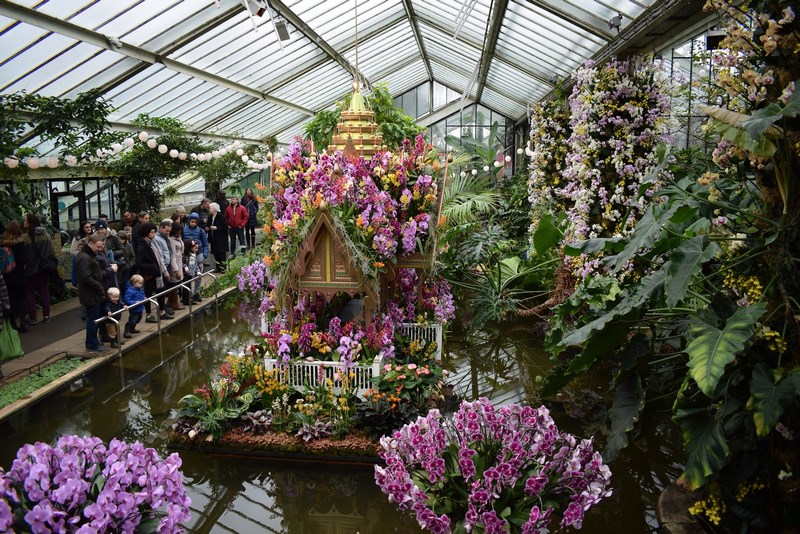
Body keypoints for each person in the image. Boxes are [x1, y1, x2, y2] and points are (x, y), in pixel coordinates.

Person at [75, 233, 108, 353]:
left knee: (95, 317)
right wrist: (99, 287)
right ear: (90, 243)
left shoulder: (89, 255)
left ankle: (94, 341)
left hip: (93, 293)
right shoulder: (85, 257)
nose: (100, 249)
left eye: (102, 247)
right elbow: (86, 277)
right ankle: (91, 344)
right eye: (98, 247)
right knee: (92, 319)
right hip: (90, 294)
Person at [22, 213, 54, 325]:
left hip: (30, 269)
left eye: (25, 220)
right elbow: (52, 251)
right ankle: (46, 316)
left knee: (29, 293)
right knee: (44, 291)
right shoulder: (46, 235)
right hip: (44, 268)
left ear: (30, 222)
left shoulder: (25, 237)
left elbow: (23, 254)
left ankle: (33, 318)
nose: (24, 222)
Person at [134, 222, 166, 323]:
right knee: (148, 294)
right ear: (146, 233)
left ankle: (162, 311)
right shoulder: (141, 246)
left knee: (160, 291)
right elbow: (139, 263)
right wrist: (153, 267)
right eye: (152, 232)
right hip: (149, 275)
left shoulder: (149, 243)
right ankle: (148, 315)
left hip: (155, 273)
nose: (154, 234)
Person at [1, 220, 28, 332]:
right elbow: (22, 260)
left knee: (11, 300)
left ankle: (12, 324)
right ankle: (22, 323)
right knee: (22, 299)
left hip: (8, 276)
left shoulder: (3, 244)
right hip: (20, 275)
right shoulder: (21, 243)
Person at [153, 219, 176, 318]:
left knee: (164, 289)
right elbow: (160, 256)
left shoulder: (164, 237)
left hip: (166, 266)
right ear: (161, 228)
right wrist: (165, 271)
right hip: (161, 268)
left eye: (169, 231)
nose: (168, 233)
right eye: (166, 231)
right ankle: (161, 309)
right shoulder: (157, 239)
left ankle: (164, 308)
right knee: (161, 290)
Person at [182, 213, 208, 297]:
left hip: (199, 253)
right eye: (192, 221)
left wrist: (205, 254)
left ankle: (197, 292)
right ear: (189, 221)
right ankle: (189, 293)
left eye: (195, 222)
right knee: (188, 275)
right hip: (188, 255)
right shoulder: (184, 229)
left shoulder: (201, 230)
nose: (193, 223)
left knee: (198, 274)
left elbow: (205, 243)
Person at [166, 222, 185, 312]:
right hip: (174, 265)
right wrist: (176, 270)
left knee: (177, 283)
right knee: (174, 284)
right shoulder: (171, 241)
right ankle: (175, 303)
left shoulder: (178, 238)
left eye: (180, 233)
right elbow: (172, 257)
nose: (179, 234)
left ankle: (170, 302)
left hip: (179, 262)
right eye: (177, 233)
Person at [207, 202, 228, 272]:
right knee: (216, 253)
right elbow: (208, 224)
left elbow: (225, 227)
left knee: (221, 253)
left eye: (210, 208)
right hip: (213, 237)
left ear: (214, 209)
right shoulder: (210, 217)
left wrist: (216, 227)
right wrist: (208, 228)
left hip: (220, 238)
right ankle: (218, 267)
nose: (209, 209)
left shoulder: (221, 216)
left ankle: (223, 268)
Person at [182, 239, 201, 304]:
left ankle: (190, 297)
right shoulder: (186, 255)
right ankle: (185, 299)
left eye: (197, 248)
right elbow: (182, 262)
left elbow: (196, 264)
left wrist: (198, 271)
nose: (196, 250)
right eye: (195, 248)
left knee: (189, 285)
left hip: (191, 272)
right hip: (186, 273)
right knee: (186, 286)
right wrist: (185, 267)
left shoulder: (194, 254)